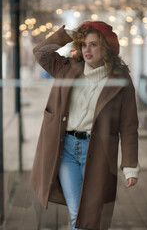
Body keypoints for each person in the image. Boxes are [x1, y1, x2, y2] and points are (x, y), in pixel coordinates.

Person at [30, 21, 140, 230]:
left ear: (106, 48)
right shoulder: (66, 68)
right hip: (67, 150)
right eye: (83, 45)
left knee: (91, 216)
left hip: (98, 152)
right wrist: (70, 35)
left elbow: (129, 125)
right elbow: (40, 53)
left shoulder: (120, 80)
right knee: (77, 214)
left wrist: (130, 165)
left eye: (93, 45)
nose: (86, 50)